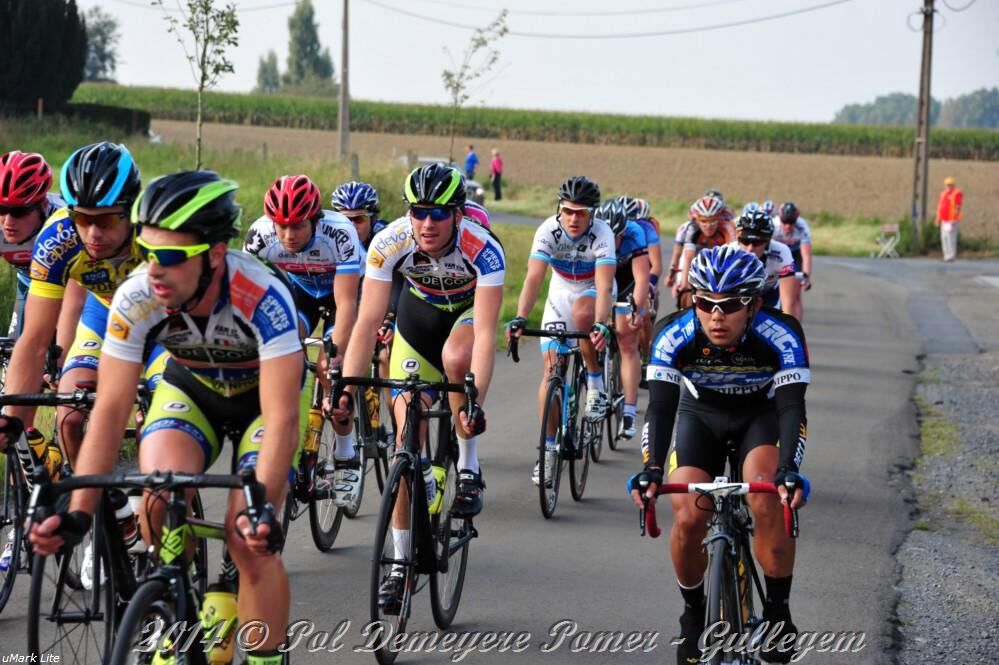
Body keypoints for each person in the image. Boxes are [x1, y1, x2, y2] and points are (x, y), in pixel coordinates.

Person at [28, 171, 305, 665]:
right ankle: (179, 600)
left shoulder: (262, 295)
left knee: (248, 540)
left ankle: (265, 654)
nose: (153, 270)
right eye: (147, 251)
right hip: (192, 388)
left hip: (259, 403)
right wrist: (79, 513)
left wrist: (262, 508)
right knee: (156, 498)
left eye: (171, 258)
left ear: (215, 253)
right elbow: (110, 409)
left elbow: (283, 418)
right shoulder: (138, 294)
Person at [631, 246, 810, 665]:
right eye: (704, 302)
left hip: (760, 416)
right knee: (688, 515)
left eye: (729, 305)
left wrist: (788, 470)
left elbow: (791, 408)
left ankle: (778, 612)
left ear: (754, 305)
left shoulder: (781, 333)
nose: (715, 315)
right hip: (701, 416)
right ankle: (694, 614)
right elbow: (660, 408)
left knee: (767, 496)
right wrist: (651, 469)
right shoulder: (673, 332)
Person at [334, 164, 504, 608]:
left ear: (458, 214)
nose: (427, 223)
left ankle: (468, 466)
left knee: (457, 359)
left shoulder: (483, 248)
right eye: (418, 212)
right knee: (405, 440)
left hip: (466, 316)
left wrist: (474, 402)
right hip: (418, 318)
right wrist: (347, 390)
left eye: (438, 214)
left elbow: (487, 334)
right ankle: (399, 565)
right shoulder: (390, 242)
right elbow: (367, 321)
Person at [0, 142, 160, 467]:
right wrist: (12, 420)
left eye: (107, 220)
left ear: (131, 211)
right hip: (103, 315)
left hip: (164, 325)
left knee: (157, 430)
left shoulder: (157, 234)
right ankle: (87, 494)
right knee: (70, 417)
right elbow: (34, 339)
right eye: (82, 219)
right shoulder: (58, 237)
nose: (93, 233)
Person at [244, 175, 362, 506]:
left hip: (341, 291)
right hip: (300, 291)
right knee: (281, 347)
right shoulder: (259, 235)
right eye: (281, 226)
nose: (288, 235)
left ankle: (346, 454)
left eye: (297, 226)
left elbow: (347, 303)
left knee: (330, 369)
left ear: (314, 219)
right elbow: (248, 298)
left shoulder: (339, 232)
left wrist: (336, 353)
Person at [504, 176, 616, 485]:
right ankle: (548, 451)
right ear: (559, 209)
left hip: (593, 290)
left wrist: (601, 322)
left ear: (592, 213)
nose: (573, 219)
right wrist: (520, 317)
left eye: (581, 213)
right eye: (568, 211)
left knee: (584, 314)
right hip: (561, 291)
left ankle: (595, 381)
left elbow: (605, 284)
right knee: (551, 368)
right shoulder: (547, 231)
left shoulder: (602, 233)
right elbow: (534, 278)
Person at [598, 200, 650, 439]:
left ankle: (629, 411)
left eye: (617, 236)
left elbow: (641, 279)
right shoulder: (591, 232)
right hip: (600, 277)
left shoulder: (635, 232)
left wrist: (635, 311)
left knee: (627, 341)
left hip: (627, 279)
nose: (614, 242)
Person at [0, 151, 66, 337]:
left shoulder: (66, 221)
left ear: (44, 205)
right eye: (1, 209)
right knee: (15, 348)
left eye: (19, 212)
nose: (8, 222)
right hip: (28, 284)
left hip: (73, 287)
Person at [673, 194, 737, 309]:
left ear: (719, 218)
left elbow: (732, 257)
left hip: (720, 258)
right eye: (703, 221)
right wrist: (685, 285)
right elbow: (688, 258)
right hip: (697, 257)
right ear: (696, 219)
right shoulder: (692, 228)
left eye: (713, 221)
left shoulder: (728, 227)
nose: (708, 225)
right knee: (684, 290)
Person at [730, 210, 797, 316]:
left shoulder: (782, 252)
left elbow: (788, 301)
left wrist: (788, 323)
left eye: (757, 242)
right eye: (745, 241)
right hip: (738, 295)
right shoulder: (729, 252)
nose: (750, 248)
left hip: (768, 295)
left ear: (768, 241)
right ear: (738, 238)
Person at [772, 202, 812, 321]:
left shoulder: (802, 226)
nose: (788, 226)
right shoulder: (773, 225)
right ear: (780, 218)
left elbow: (806, 255)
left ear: (796, 220)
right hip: (777, 255)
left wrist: (806, 276)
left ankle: (796, 326)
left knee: (795, 294)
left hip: (794, 255)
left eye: (791, 222)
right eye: (785, 222)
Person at [935, 176, 962, 262]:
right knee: (944, 238)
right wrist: (938, 219)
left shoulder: (957, 193)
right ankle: (946, 255)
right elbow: (940, 207)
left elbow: (958, 206)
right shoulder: (943, 194)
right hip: (944, 220)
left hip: (952, 220)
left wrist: (954, 218)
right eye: (947, 185)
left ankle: (951, 255)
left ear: (954, 185)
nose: (949, 186)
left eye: (950, 185)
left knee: (951, 238)